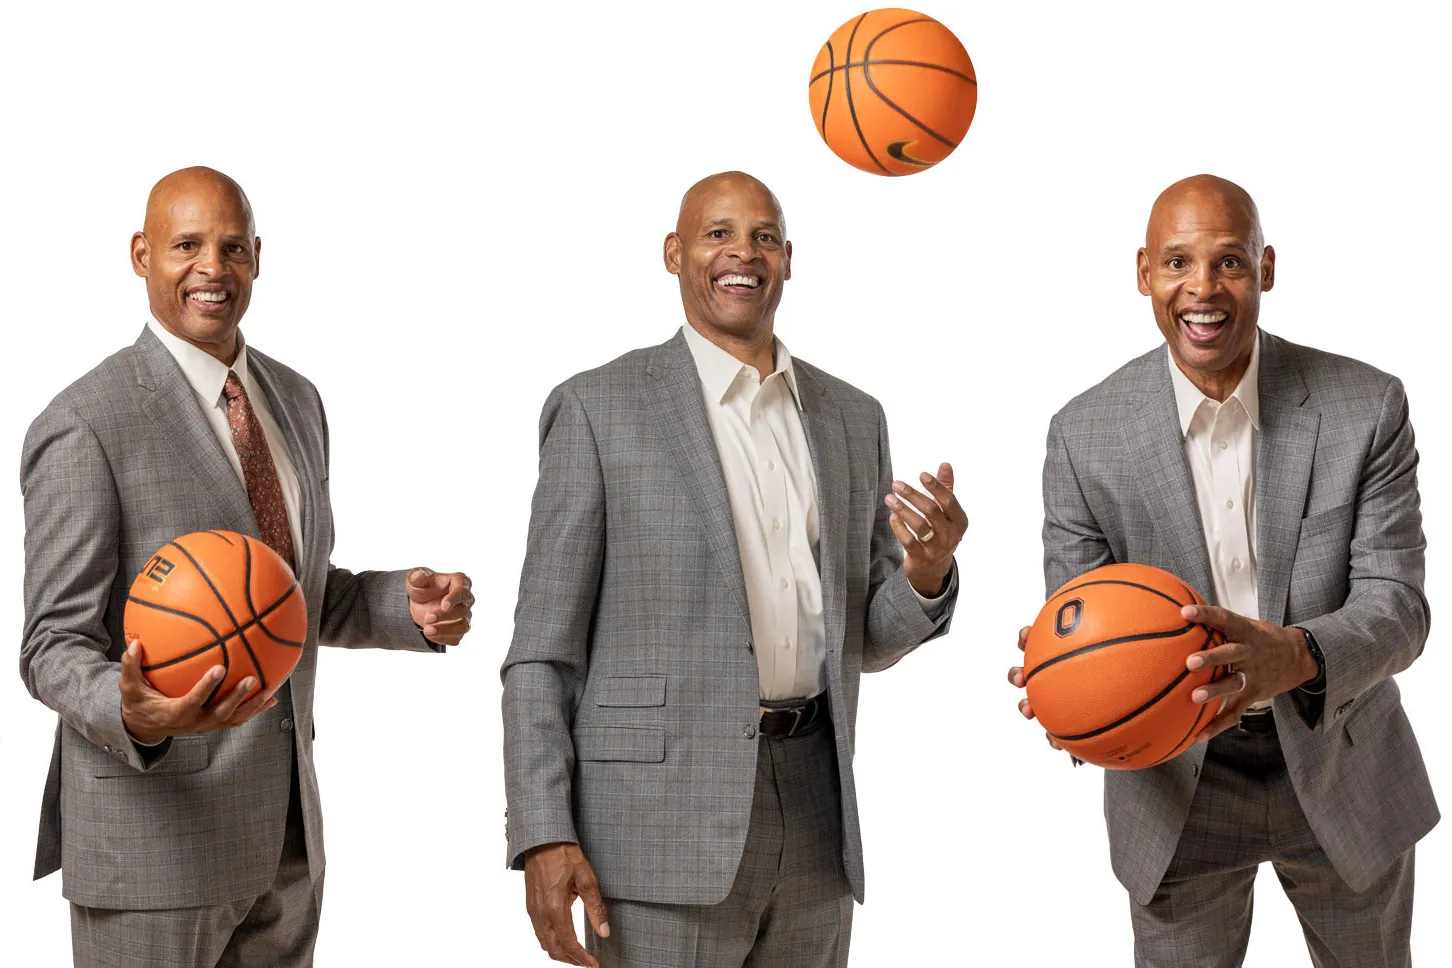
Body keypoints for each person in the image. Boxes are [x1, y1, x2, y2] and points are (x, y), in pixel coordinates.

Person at [502, 170, 964, 968]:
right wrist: (544, 832)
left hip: (816, 815)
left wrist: (926, 573)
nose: (742, 252)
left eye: (764, 236)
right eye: (718, 233)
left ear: (789, 259)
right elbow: (541, 652)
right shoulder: (598, 408)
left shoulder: (853, 416)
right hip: (654, 837)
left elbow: (865, 636)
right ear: (675, 254)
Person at [19, 166, 473, 967]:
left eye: (232, 247)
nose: (212, 268)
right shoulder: (85, 423)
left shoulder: (294, 399)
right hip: (154, 845)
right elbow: (51, 645)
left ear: (258, 257)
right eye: (186, 245)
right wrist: (137, 712)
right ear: (140, 255)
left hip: (286, 839)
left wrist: (406, 607)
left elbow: (282, 595)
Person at [1009, 174, 1436, 966]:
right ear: (1144, 273)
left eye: (1229, 262)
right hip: (1175, 783)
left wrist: (1296, 655)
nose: (1201, 288)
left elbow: (1399, 606)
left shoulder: (1365, 406)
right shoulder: (1082, 436)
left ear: (1266, 269)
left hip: (1340, 754)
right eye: (1177, 262)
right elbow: (1074, 613)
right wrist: (1064, 688)